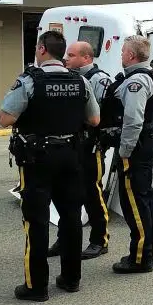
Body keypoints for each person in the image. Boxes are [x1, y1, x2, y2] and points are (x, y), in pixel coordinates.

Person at [0, 31, 101, 302]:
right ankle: (71, 279)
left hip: (37, 159)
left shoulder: (29, 80)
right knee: (71, 218)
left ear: (42, 49)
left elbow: (6, 119)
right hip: (71, 156)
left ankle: (36, 286)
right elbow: (94, 119)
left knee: (37, 219)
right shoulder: (80, 80)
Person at [46, 41, 113, 260]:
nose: (67, 58)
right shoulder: (68, 79)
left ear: (87, 58)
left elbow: (98, 116)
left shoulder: (98, 80)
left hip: (90, 146)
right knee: (66, 196)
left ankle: (99, 240)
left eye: (72, 55)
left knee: (92, 193)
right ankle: (64, 239)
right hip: (71, 145)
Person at [102, 35, 153, 274]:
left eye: (123, 51)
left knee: (134, 203)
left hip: (136, 147)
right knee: (144, 197)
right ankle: (150, 249)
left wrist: (124, 151)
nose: (121, 55)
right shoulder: (148, 75)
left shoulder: (135, 82)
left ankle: (140, 258)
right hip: (146, 143)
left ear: (130, 55)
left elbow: (133, 120)